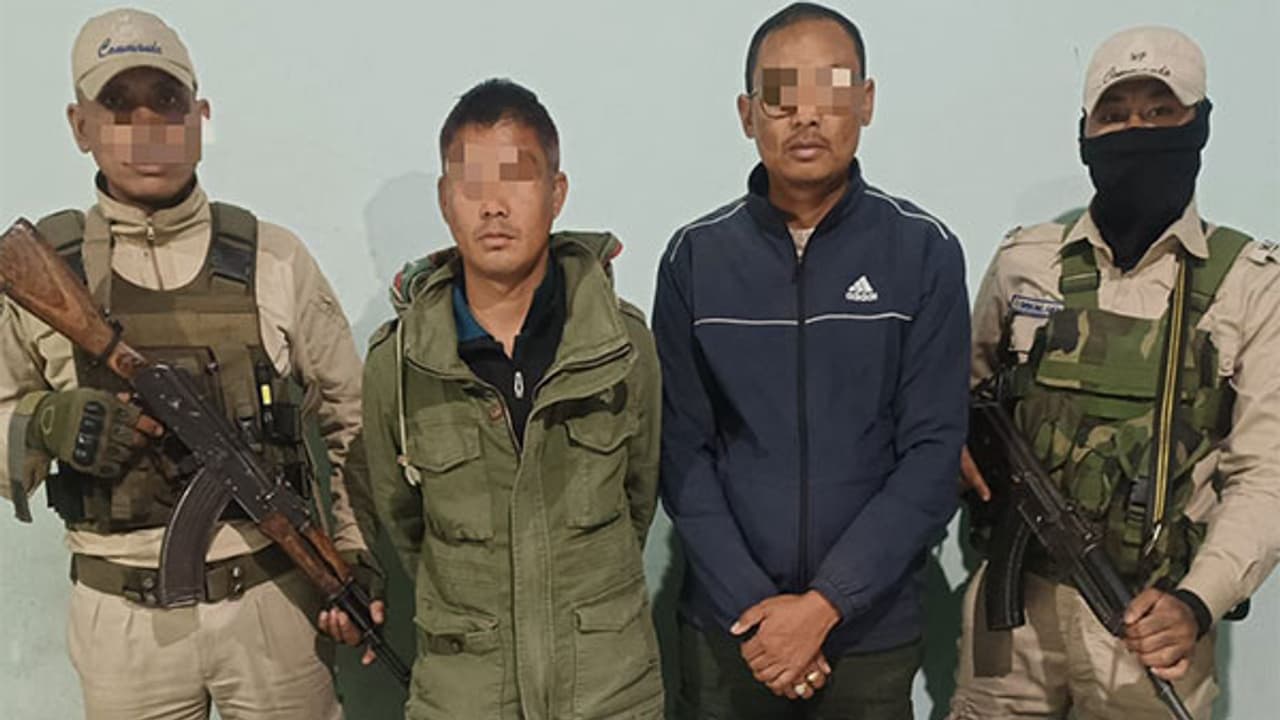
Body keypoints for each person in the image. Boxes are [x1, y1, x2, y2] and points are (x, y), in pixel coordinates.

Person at [0, 8, 381, 718]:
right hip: (122, 624)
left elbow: (353, 419)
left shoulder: (274, 257)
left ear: (201, 118)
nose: (148, 127)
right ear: (80, 125)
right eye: (120, 105)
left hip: (273, 606)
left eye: (168, 102)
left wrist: (355, 554)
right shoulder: (45, 272)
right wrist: (45, 423)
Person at [952, 26, 1280, 720]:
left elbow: (1267, 475)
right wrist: (952, 447)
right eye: (1116, 114)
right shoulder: (1027, 262)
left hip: (1152, 622)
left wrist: (1196, 602)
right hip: (1012, 614)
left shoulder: (1250, 285)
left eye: (1161, 112)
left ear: (1200, 125)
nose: (1137, 130)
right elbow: (962, 398)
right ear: (1085, 134)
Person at [653, 3, 970, 718]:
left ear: (866, 101)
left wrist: (826, 605)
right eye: (780, 96)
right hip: (731, 633)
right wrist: (761, 617)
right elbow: (682, 454)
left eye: (829, 91)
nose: (805, 116)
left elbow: (931, 453)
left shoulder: (923, 251)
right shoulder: (695, 258)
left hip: (869, 635)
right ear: (747, 113)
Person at [362, 78, 664, 720]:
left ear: (556, 193)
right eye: (471, 184)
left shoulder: (622, 344)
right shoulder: (400, 364)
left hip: (609, 693)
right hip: (465, 696)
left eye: (517, 179)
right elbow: (405, 523)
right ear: (445, 201)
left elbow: (640, 493)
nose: (494, 207)